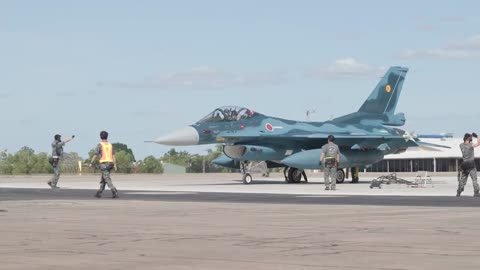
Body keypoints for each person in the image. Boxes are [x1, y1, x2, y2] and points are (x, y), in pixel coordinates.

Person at [89, 131, 119, 198]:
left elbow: (95, 155)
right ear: (107, 136)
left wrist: (91, 163)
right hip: (110, 163)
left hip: (104, 163)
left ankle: (114, 190)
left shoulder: (100, 144)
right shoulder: (110, 145)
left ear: (100, 136)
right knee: (104, 178)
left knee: (106, 178)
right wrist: (115, 164)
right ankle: (99, 192)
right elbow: (113, 155)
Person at [457, 132, 480, 197]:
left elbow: (465, 143)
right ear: (468, 139)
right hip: (471, 164)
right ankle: (476, 192)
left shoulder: (461, 145)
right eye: (470, 138)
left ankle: (459, 191)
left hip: (464, 165)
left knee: (463, 180)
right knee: (474, 179)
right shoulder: (470, 145)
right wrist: (477, 136)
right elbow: (479, 143)